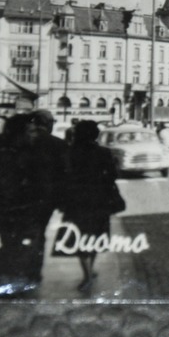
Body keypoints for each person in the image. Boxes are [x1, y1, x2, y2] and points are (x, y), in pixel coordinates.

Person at [0, 112, 64, 297]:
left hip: (26, 221)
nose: (34, 135)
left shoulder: (33, 151)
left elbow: (46, 184)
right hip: (3, 221)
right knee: (3, 271)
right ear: (17, 133)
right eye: (30, 132)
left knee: (22, 271)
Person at [56, 120, 124, 291]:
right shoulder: (104, 153)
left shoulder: (69, 152)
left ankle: (87, 275)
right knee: (93, 236)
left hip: (76, 201)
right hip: (98, 201)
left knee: (79, 238)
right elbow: (113, 176)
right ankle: (90, 271)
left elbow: (62, 178)